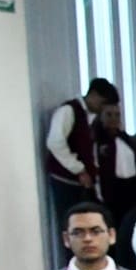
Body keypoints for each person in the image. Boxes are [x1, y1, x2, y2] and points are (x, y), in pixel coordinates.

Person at [45, 78, 120, 241]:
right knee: (73, 228)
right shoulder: (68, 111)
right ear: (93, 95)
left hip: (82, 183)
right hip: (66, 181)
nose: (102, 109)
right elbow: (55, 142)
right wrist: (78, 168)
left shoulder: (90, 118)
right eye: (102, 103)